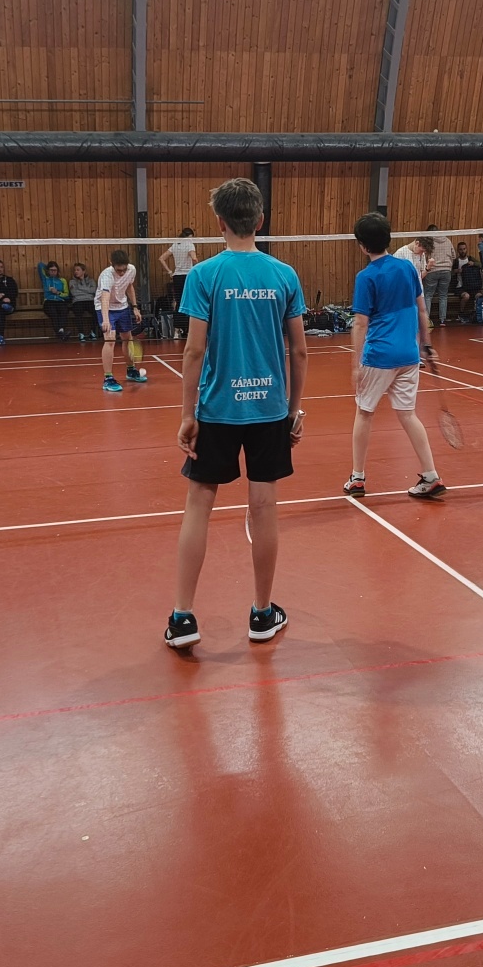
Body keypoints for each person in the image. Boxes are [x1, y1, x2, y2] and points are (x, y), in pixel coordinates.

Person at [166, 178, 308, 651]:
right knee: (263, 507)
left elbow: (193, 351)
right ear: (260, 221)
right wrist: (293, 409)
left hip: (216, 410)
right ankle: (262, 614)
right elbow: (299, 351)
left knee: (198, 505)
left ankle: (183, 618)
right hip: (269, 410)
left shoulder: (203, 275)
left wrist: (188, 415)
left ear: (219, 223)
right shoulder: (284, 275)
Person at [345, 213, 448, 503]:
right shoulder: (407, 268)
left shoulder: (366, 277)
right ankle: (431, 476)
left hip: (379, 356)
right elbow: (422, 310)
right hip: (409, 355)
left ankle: (357, 478)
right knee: (407, 414)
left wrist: (356, 365)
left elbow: (361, 324)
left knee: (364, 412)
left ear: (362, 246)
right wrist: (426, 346)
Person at [98, 250, 145, 391]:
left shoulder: (131, 270)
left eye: (124, 269)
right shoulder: (107, 275)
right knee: (110, 340)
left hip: (122, 306)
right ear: (111, 264)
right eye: (119, 270)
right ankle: (108, 378)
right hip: (105, 307)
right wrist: (106, 319)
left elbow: (129, 286)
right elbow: (104, 298)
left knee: (127, 338)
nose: (122, 273)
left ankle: (131, 370)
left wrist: (135, 307)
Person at [160, 226, 198, 337]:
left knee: (179, 302)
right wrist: (198, 268)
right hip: (188, 276)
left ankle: (176, 331)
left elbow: (161, 258)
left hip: (177, 277)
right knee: (190, 302)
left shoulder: (175, 245)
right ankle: (190, 331)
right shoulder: (189, 244)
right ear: (189, 236)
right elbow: (194, 258)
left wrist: (169, 271)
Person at [423, 224, 454, 328]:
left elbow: (425, 256)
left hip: (432, 270)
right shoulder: (447, 240)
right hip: (446, 270)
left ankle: (426, 320)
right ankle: (442, 320)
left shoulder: (429, 242)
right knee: (443, 295)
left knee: (428, 295)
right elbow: (453, 255)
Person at [37, 259, 70, 339]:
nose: (53, 272)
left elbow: (67, 295)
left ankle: (60, 331)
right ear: (48, 271)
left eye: (55, 270)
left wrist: (58, 293)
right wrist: (48, 267)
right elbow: (40, 265)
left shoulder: (62, 280)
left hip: (60, 300)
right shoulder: (45, 279)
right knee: (53, 313)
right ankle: (61, 333)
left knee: (64, 311)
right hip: (49, 301)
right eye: (51, 270)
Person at [68, 262, 98, 341]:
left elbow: (93, 290)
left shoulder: (91, 281)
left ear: (83, 271)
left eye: (78, 270)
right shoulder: (72, 281)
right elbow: (74, 292)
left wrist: (79, 288)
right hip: (78, 301)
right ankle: (81, 333)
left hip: (90, 300)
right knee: (78, 312)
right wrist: (87, 290)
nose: (76, 272)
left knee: (97, 311)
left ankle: (93, 332)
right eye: (75, 270)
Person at [455, 256, 483, 322]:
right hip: (460, 286)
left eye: (464, 250)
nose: (463, 251)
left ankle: (477, 313)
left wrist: (474, 263)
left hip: (473, 286)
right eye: (461, 250)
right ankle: (461, 313)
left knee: (479, 296)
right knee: (466, 296)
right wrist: (456, 271)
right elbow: (450, 271)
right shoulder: (456, 261)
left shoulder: (470, 258)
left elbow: (481, 264)